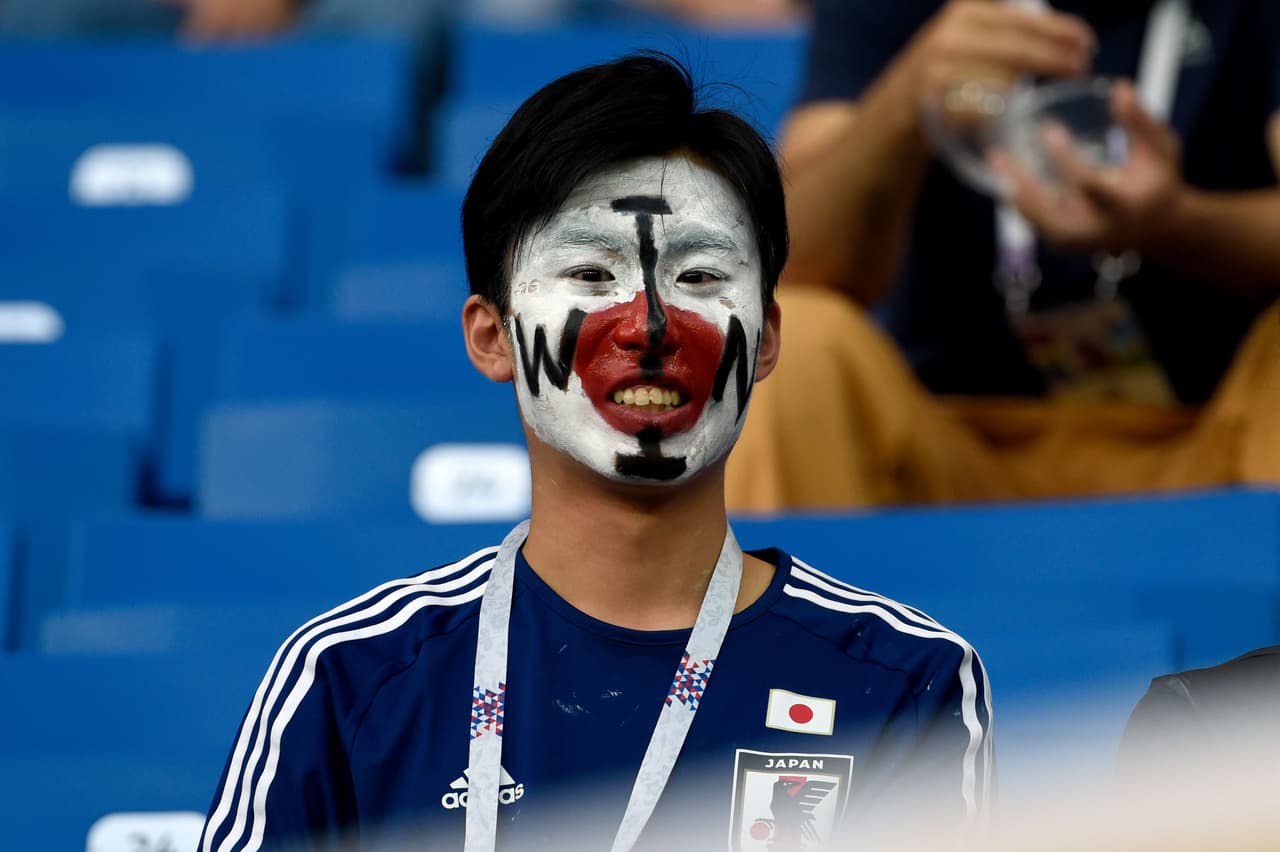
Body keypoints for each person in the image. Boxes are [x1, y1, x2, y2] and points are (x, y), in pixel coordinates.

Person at [197, 55, 992, 851]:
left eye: (702, 274)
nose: (648, 325)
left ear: (769, 337)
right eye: (588, 271)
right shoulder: (349, 678)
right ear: (491, 336)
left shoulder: (903, 682)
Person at [725, 0, 1280, 511]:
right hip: (956, 450)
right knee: (798, 341)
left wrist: (1180, 222)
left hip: (1215, 438)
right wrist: (904, 98)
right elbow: (791, 263)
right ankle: (802, 618)